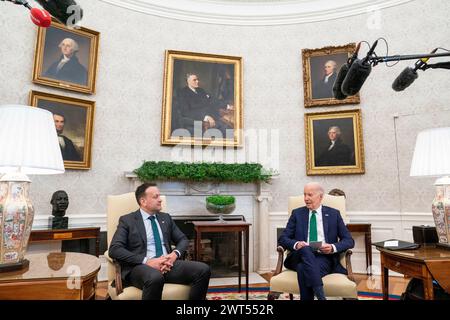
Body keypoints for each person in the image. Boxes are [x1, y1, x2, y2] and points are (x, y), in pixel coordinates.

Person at [109, 183, 211, 300]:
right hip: (140, 267)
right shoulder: (127, 220)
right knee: (155, 277)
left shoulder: (165, 218)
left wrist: (174, 254)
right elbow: (115, 249)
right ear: (143, 201)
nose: (160, 200)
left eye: (160, 196)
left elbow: (182, 239)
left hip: (168, 264)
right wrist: (147, 261)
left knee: (203, 270)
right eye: (155, 197)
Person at [278, 182, 354, 300]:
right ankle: (320, 295)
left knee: (303, 269)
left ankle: (318, 295)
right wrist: (296, 244)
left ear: (321, 197)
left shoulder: (334, 214)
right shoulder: (297, 214)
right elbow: (283, 238)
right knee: (305, 249)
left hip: (324, 257)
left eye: (310, 195)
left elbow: (349, 240)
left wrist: (332, 247)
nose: (306, 198)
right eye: (304, 195)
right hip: (298, 255)